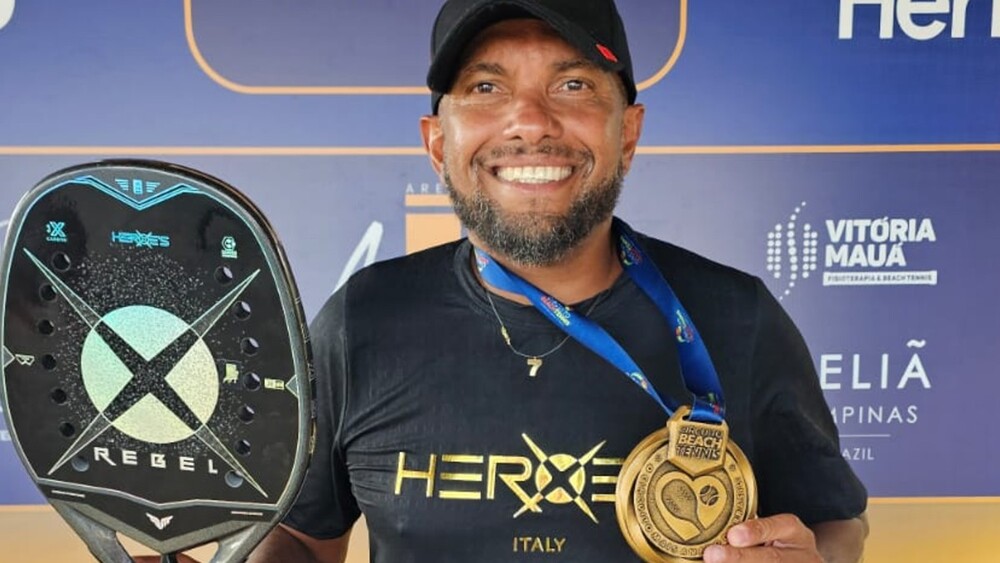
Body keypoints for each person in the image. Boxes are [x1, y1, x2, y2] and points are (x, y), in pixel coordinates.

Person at [156, 1, 869, 561]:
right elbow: (304, 539)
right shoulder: (361, 320)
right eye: (486, 87)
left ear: (628, 133)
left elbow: (836, 522)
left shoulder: (737, 317)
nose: (529, 120)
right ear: (437, 141)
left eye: (572, 84)